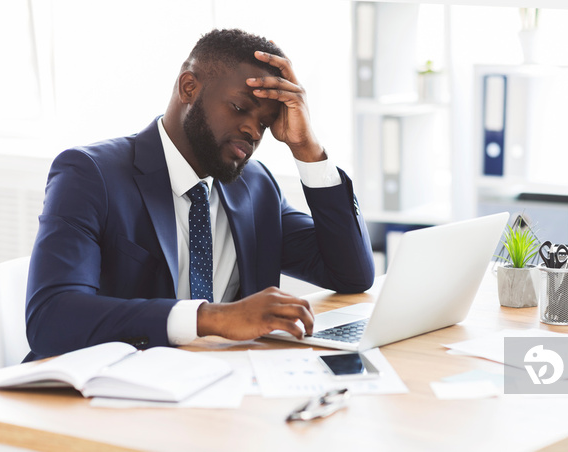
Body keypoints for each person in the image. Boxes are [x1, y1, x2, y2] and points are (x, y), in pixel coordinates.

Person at [25, 29, 374, 362]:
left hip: (215, 389)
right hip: (102, 398)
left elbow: (351, 274)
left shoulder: (255, 187)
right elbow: (52, 317)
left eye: (265, 124)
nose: (253, 129)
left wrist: (306, 148)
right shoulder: (90, 174)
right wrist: (212, 318)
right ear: (189, 87)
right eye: (240, 108)